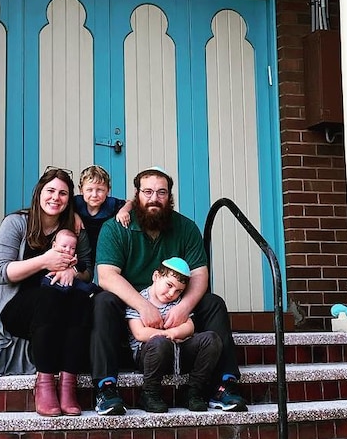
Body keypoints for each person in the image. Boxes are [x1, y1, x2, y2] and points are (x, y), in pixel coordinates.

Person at [91, 166, 248, 415]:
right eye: (148, 191)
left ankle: (224, 385)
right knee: (103, 301)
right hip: (131, 313)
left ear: (170, 196)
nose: (154, 198)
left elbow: (199, 275)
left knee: (213, 303)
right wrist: (144, 306)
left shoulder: (185, 228)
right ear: (137, 196)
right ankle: (106, 387)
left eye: (161, 192)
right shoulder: (116, 228)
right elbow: (106, 275)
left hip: (175, 307)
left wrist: (184, 308)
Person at [0, 167, 93, 417]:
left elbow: (87, 271)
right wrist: (45, 261)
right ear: (38, 193)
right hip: (19, 308)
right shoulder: (16, 223)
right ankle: (44, 383)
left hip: (61, 307)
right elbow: (3, 273)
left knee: (80, 298)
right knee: (49, 297)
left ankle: (68, 385)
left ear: (70, 199)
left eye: (63, 193)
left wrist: (73, 272)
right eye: (51, 191)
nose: (56, 198)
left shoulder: (74, 229)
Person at [125, 257, 220, 413]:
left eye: (178, 291)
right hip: (150, 356)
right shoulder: (139, 300)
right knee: (160, 342)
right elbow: (140, 333)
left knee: (211, 340)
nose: (171, 293)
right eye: (169, 285)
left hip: (177, 352)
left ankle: (193, 391)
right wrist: (165, 335)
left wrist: (173, 332)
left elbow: (189, 326)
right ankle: (150, 393)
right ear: (156, 277)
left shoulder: (177, 303)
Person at [73, 165, 132, 263]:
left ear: (108, 190)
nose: (94, 195)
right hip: (81, 250)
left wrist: (123, 211)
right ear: (81, 189)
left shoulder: (111, 204)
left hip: (104, 248)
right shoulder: (76, 203)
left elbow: (130, 203)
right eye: (89, 190)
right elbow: (63, 206)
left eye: (100, 190)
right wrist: (74, 214)